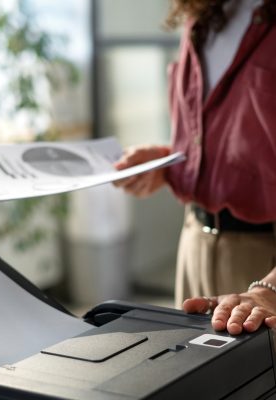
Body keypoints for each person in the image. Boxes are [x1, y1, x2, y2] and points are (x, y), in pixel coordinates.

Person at [114, 0, 276, 309]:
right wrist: (168, 163)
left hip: (265, 265)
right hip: (194, 247)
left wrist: (270, 289)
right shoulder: (201, 16)